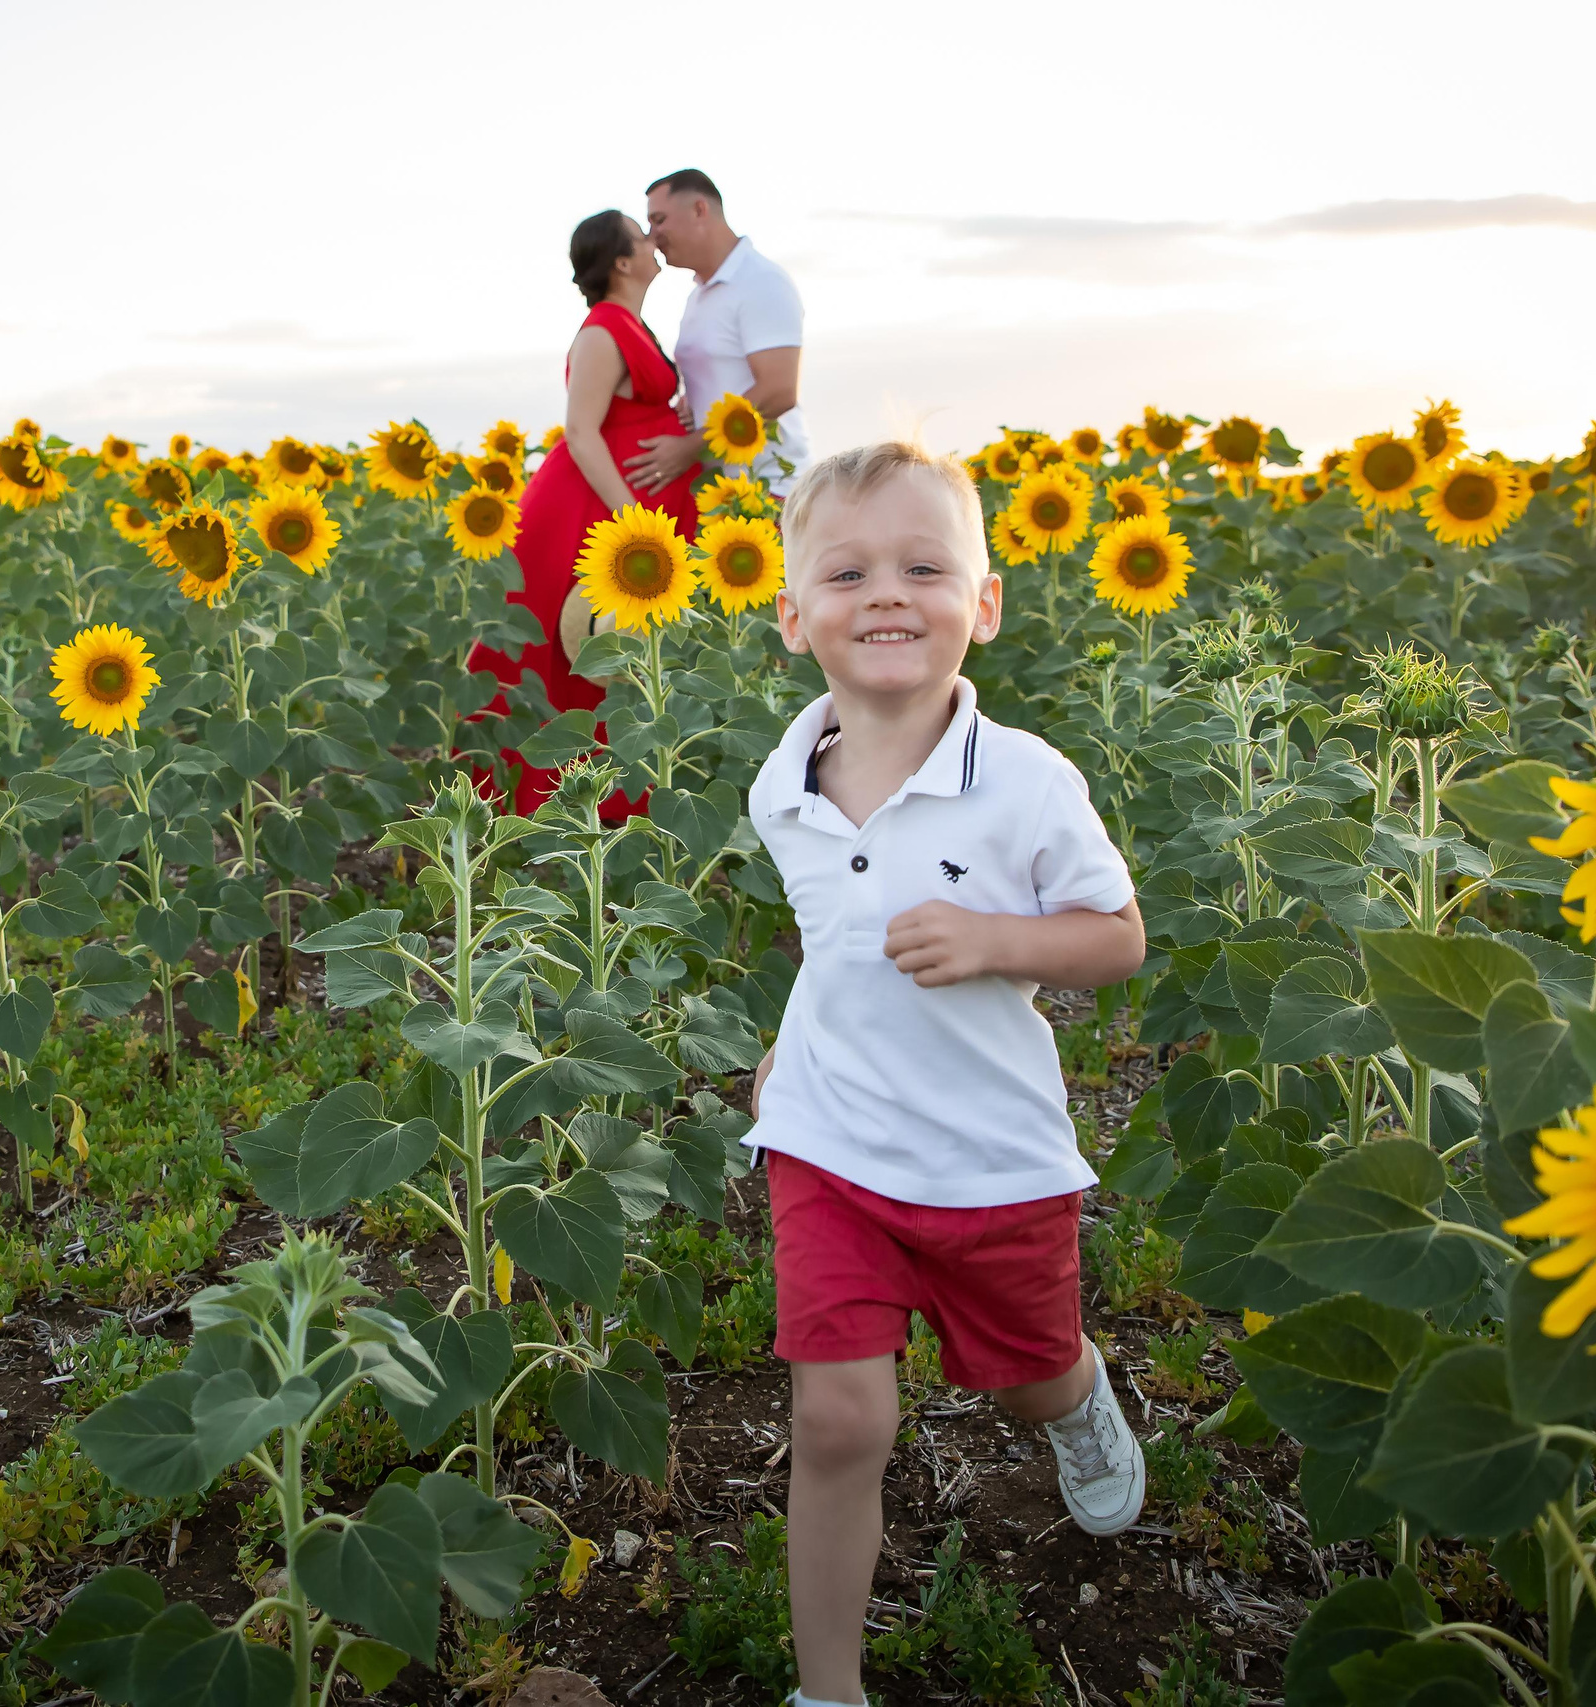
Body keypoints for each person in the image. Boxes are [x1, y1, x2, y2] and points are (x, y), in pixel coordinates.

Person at [743, 439, 1148, 1707]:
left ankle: (1078, 1398)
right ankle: (830, 1689)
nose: (885, 594)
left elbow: (1116, 939)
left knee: (1026, 1378)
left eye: (924, 566)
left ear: (982, 604)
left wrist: (997, 944)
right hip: (832, 1147)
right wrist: (786, 1048)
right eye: (847, 570)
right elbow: (833, 946)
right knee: (839, 1423)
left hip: (990, 1159)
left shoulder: (1025, 781)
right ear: (792, 610)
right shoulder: (782, 782)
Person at [465, 209, 700, 816]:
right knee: (574, 651)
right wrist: (632, 521)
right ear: (622, 261)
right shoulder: (602, 331)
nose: (654, 243)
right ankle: (547, 806)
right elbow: (581, 431)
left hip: (613, 503)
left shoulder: (630, 324)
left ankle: (611, 805)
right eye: (642, 236)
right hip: (589, 510)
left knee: (612, 654)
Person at [630, 169, 809, 497]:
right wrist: (691, 401)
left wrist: (689, 448)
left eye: (659, 220)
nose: (651, 235)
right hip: (720, 493)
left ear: (699, 209)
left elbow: (778, 391)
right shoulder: (699, 294)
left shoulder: (760, 281)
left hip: (769, 489)